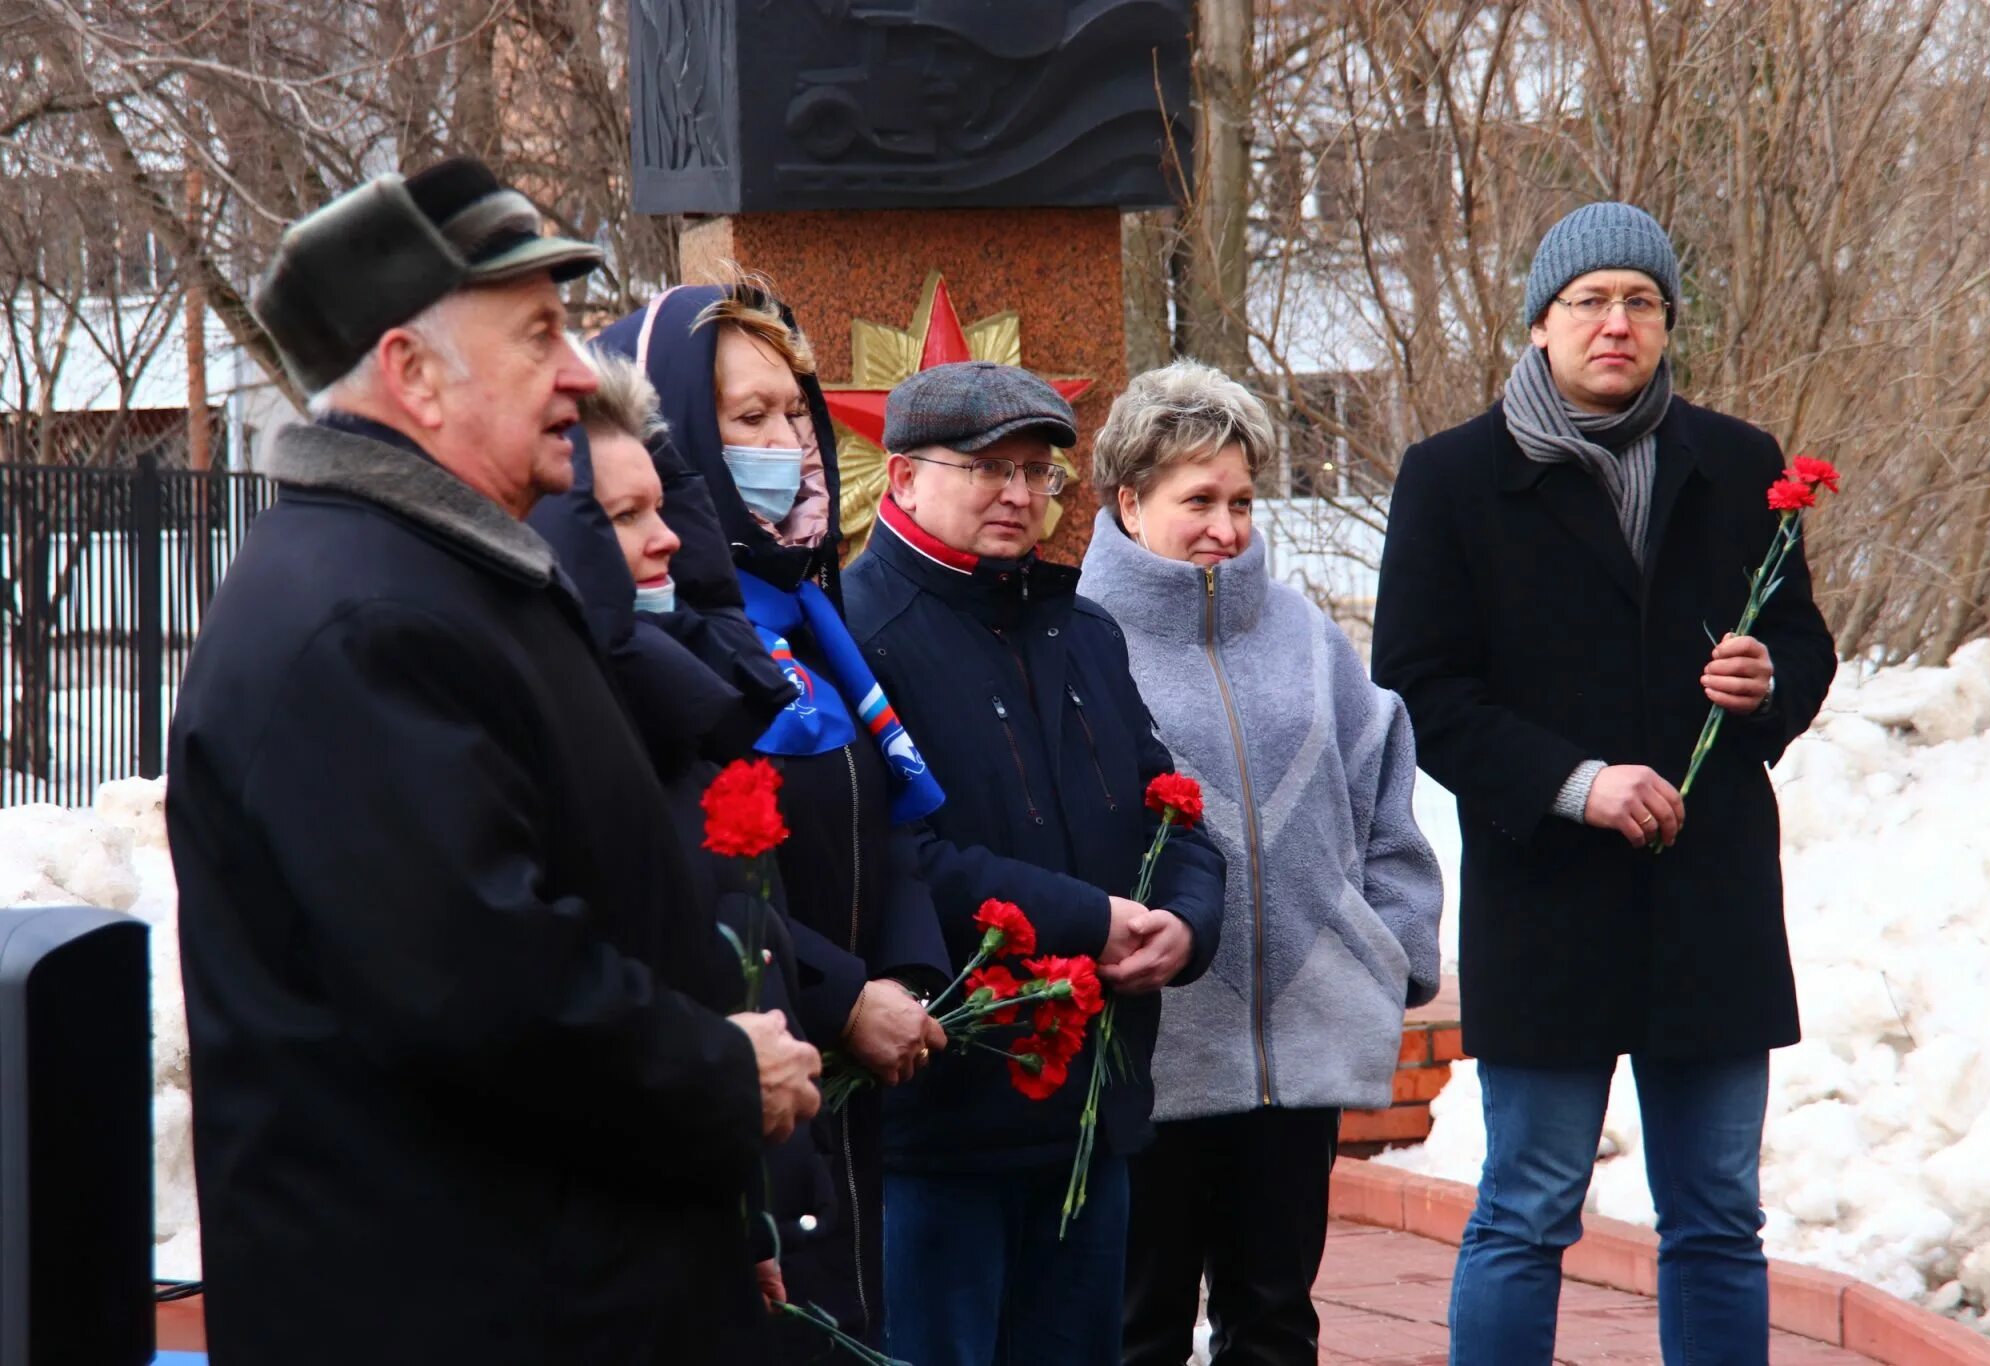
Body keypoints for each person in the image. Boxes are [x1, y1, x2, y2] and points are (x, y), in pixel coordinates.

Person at [166, 158, 819, 1366]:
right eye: (536, 336)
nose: (579, 371)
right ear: (410, 373)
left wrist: (711, 1222)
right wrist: (722, 1076)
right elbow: (487, 995)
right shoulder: (363, 622)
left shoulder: (433, 578)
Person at [1370, 201, 1837, 1365]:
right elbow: (1422, 688)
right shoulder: (1451, 478)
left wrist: (1767, 677)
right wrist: (1574, 783)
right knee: (1526, 1211)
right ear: (1539, 323)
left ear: (1667, 324)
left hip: (1708, 895)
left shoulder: (1736, 464)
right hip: (1548, 897)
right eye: (1588, 301)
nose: (1614, 322)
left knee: (1718, 1217)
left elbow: (1803, 639)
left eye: (1640, 301)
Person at [839, 359, 1228, 1366]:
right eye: (986, 468)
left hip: (1086, 1116)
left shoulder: (1080, 630)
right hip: (940, 1121)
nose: (1018, 494)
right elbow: (900, 860)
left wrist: (1185, 921)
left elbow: (1170, 809)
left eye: (1037, 472)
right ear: (901, 478)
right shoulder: (852, 633)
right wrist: (1084, 919)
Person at [590, 279, 951, 1349]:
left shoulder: (805, 602)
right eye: (749, 416)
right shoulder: (672, 631)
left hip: (853, 1079)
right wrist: (844, 999)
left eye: (795, 411)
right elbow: (694, 864)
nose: (787, 438)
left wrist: (907, 976)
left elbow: (884, 809)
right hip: (758, 1064)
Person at [1075, 361, 1443, 1366]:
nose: (1225, 526)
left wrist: (1391, 946)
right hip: (1151, 1055)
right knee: (1134, 1329)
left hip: (1297, 1059)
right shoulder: (1076, 639)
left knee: (1275, 1321)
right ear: (1128, 501)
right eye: (1196, 499)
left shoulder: (1306, 635)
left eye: (1240, 499)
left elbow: (1382, 785)